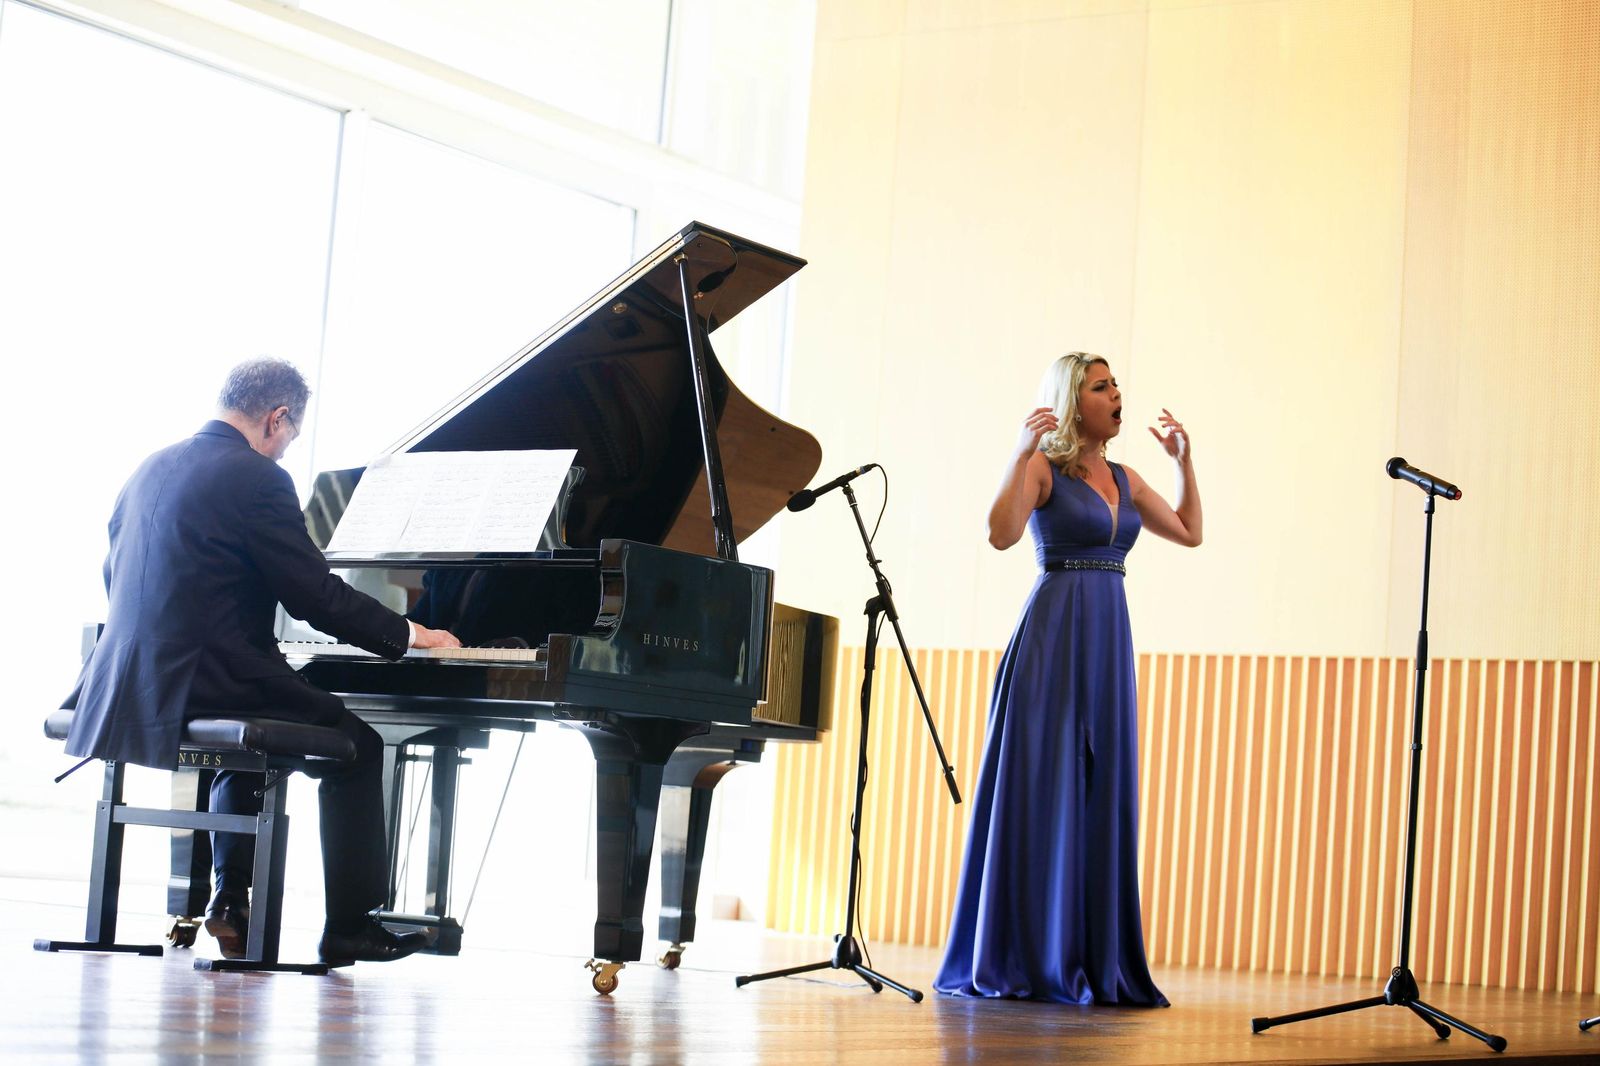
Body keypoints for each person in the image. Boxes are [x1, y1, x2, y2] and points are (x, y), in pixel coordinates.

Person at [62, 358, 462, 966]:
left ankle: (230, 898)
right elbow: (314, 597)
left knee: (252, 745)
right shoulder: (258, 479)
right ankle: (350, 927)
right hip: (211, 677)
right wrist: (409, 632)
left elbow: (114, 575)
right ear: (278, 418)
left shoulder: (151, 466)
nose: (285, 449)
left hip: (125, 679)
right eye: (291, 435)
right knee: (358, 746)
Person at [934, 351, 1202, 1005]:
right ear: (1073, 401)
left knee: (1099, 788)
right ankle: (1024, 952)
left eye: (1116, 385)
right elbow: (1000, 535)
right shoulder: (1042, 468)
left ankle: (1087, 953)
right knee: (1040, 787)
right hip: (1052, 640)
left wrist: (1183, 463)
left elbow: (1190, 532)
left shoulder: (1127, 477)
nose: (1117, 394)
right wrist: (1019, 452)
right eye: (1102, 387)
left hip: (1108, 641)